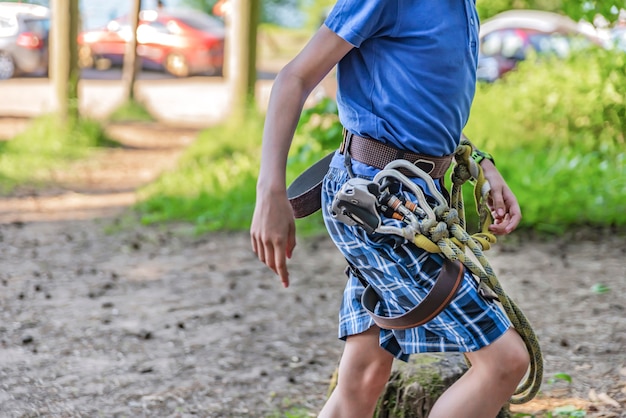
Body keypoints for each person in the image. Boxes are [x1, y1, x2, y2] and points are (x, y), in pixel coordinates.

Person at [250, 2, 530, 417]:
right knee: (505, 362)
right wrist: (269, 192)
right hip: (378, 200)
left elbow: (420, 104)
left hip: (411, 196)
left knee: (364, 374)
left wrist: (482, 163)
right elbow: (294, 77)